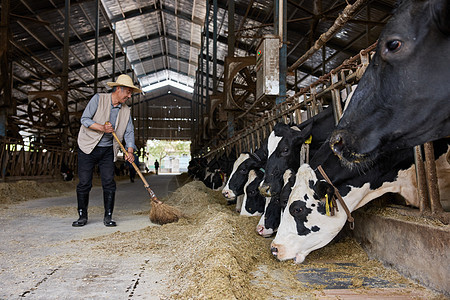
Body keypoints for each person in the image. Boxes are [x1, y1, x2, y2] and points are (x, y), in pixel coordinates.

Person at [73, 74, 141, 227]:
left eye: (131, 93)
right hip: (88, 147)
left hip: (108, 150)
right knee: (84, 182)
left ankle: (108, 217)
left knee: (109, 182)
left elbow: (129, 132)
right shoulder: (99, 99)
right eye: (128, 92)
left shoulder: (126, 110)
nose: (129, 96)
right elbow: (84, 119)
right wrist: (102, 128)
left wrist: (129, 151)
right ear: (118, 89)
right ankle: (82, 216)